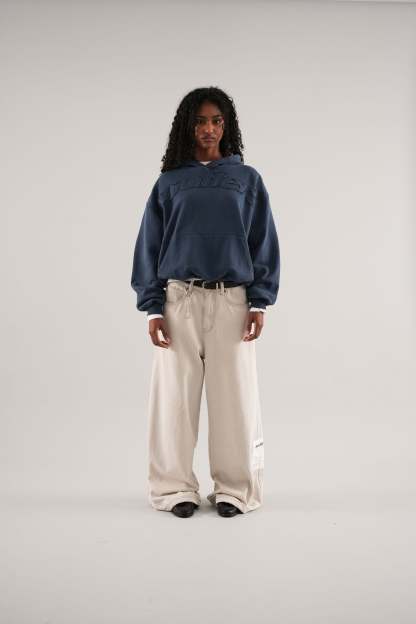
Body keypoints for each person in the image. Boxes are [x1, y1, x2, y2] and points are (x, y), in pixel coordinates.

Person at [130, 86, 280, 518]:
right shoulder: (169, 183)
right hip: (179, 299)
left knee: (235, 399)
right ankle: (174, 488)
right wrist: (153, 307)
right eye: (200, 121)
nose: (209, 129)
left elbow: (262, 241)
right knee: (174, 399)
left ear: (226, 126)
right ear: (187, 127)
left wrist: (259, 302)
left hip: (232, 300)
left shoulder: (246, 180)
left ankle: (235, 489)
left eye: (216, 121)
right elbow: (149, 246)